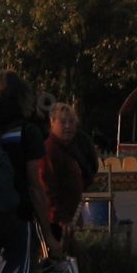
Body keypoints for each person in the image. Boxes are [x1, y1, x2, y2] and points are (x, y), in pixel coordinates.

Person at [0, 70, 57, 273]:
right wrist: (48, 234)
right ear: (22, 96)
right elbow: (35, 187)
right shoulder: (26, 131)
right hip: (16, 216)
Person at [38, 102, 86, 254]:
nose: (68, 127)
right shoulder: (50, 150)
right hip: (55, 223)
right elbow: (48, 188)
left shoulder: (66, 149)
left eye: (71, 122)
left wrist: (76, 214)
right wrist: (62, 218)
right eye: (63, 122)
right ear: (52, 123)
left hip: (66, 220)